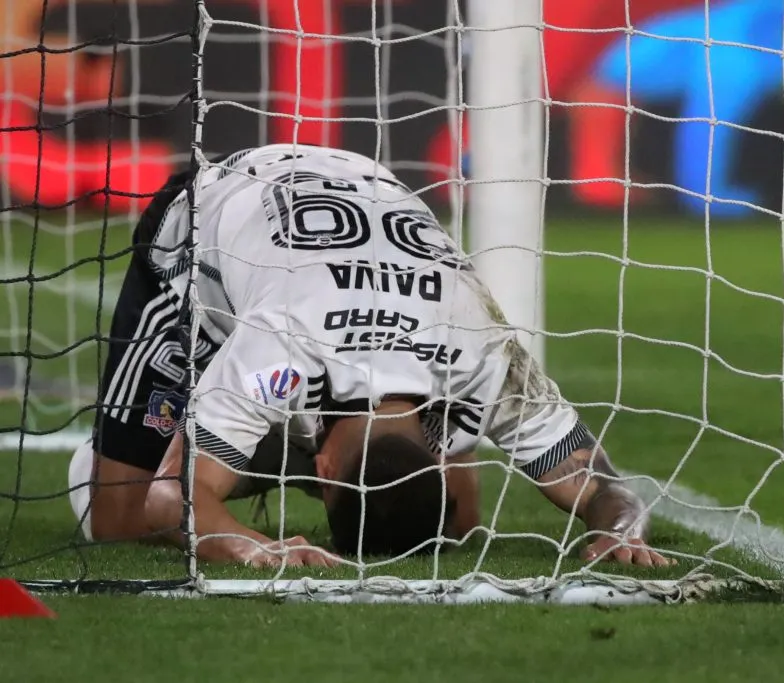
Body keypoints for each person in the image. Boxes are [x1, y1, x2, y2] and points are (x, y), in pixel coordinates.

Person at [73, 144, 672, 568]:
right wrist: (249, 544)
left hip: (357, 190)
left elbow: (608, 495)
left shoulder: (485, 348)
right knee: (118, 519)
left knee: (454, 526)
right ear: (326, 471)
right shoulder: (280, 345)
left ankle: (242, 444)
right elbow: (162, 501)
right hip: (206, 222)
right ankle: (247, 447)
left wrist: (620, 533)